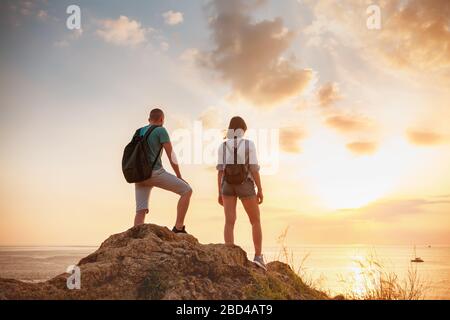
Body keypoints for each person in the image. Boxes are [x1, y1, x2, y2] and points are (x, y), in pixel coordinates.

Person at [216, 116, 266, 270]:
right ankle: (258, 257)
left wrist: (219, 192)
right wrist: (260, 189)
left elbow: (220, 171)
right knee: (255, 221)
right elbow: (254, 169)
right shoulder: (248, 144)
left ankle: (229, 257)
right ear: (243, 129)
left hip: (227, 186)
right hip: (245, 185)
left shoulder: (222, 146)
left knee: (229, 222)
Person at [134, 108, 192, 233]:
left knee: (140, 210)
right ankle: (179, 227)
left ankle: (135, 236)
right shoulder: (161, 130)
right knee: (187, 190)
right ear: (161, 119)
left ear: (149, 119)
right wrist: (179, 176)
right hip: (155, 173)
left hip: (138, 176)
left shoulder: (139, 132)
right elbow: (171, 155)